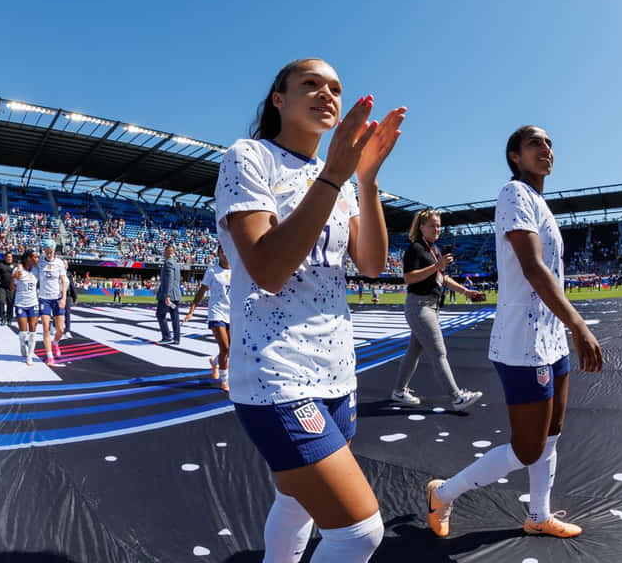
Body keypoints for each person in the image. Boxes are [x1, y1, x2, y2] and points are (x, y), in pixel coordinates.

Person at [215, 58, 405, 562]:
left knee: (295, 501)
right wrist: (334, 177)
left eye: (336, 88)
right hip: (277, 373)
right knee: (359, 532)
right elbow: (268, 269)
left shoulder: (339, 178)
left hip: (337, 371)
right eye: (311, 84)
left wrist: (364, 180)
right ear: (279, 99)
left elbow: (370, 263)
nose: (327, 94)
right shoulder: (249, 157)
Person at [426, 125, 603, 540]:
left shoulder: (539, 201)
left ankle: (538, 517)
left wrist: (564, 328)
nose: (545, 149)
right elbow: (532, 266)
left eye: (549, 143)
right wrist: (577, 323)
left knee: (552, 434)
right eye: (534, 143)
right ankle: (443, 493)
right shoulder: (514, 194)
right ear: (514, 156)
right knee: (527, 448)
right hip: (523, 343)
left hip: (550, 337)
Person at [390, 209, 485, 411]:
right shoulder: (415, 249)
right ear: (421, 227)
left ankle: (399, 391)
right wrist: (436, 266)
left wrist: (465, 291)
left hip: (431, 306)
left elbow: (442, 278)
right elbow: (409, 277)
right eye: (432, 225)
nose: (437, 229)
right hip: (419, 306)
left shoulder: (435, 250)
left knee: (413, 351)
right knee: (438, 352)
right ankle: (457, 397)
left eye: (439, 225)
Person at [183, 244, 231, 388]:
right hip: (217, 312)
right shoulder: (212, 270)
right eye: (223, 252)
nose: (226, 254)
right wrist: (192, 310)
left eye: (228, 251)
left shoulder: (238, 269)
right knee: (225, 348)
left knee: (231, 349)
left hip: (232, 313)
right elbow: (202, 291)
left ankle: (214, 362)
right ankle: (224, 380)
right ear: (219, 254)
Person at [37, 239, 68, 367]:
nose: (49, 254)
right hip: (44, 298)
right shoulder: (39, 261)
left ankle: (55, 343)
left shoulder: (59, 263)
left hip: (57, 298)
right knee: (45, 328)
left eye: (51, 252)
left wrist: (64, 298)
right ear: (44, 250)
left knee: (61, 329)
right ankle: (50, 356)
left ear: (54, 251)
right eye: (46, 251)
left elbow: (63, 282)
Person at [11, 249, 40, 365]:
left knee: (33, 331)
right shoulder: (18, 270)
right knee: (23, 332)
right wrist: (13, 277)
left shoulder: (37, 270)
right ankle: (22, 344)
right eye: (35, 257)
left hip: (33, 304)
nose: (37, 259)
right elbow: (12, 287)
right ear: (29, 258)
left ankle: (30, 356)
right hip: (21, 304)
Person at [156, 244, 181, 344]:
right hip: (175, 295)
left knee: (160, 315)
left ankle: (167, 336)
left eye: (164, 251)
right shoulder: (175, 263)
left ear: (167, 253)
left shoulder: (168, 263)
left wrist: (167, 296)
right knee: (175, 317)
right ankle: (176, 338)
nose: (163, 253)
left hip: (167, 295)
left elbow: (169, 280)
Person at [0, 252, 16, 325]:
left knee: (10, 303)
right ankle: (2, 318)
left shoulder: (15, 265)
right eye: (8, 257)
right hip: (2, 287)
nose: (9, 258)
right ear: (5, 257)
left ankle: (9, 319)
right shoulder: (1, 265)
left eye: (10, 257)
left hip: (11, 287)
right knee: (1, 301)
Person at [63, 266, 78, 340]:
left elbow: (72, 286)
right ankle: (54, 325)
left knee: (67, 313)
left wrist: (74, 298)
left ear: (67, 266)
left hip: (67, 295)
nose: (64, 265)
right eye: (63, 264)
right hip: (57, 294)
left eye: (65, 264)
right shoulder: (56, 272)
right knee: (56, 312)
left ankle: (67, 331)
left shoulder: (69, 275)